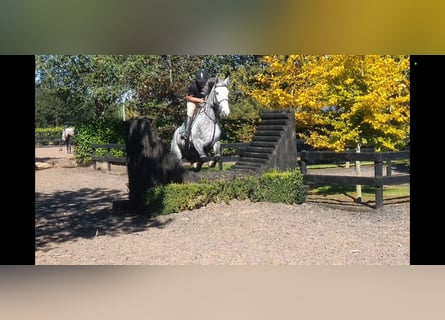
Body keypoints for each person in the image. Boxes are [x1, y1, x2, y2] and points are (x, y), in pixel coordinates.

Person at [180, 69, 210, 140]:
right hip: (192, 102)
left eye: (203, 82)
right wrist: (199, 100)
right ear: (197, 81)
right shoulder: (193, 87)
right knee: (190, 112)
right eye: (200, 82)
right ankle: (186, 132)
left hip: (203, 103)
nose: (202, 84)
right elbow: (187, 97)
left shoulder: (208, 86)